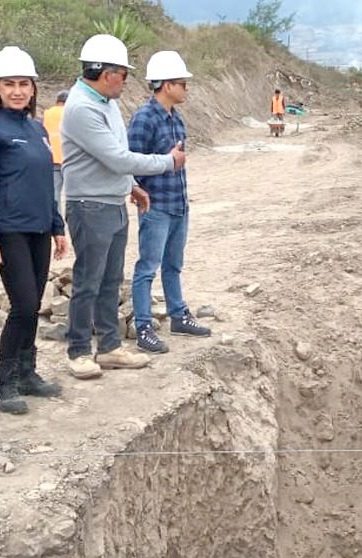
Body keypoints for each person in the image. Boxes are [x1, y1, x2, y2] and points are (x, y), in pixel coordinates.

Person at [61, 34, 185, 379]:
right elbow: (117, 157)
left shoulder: (106, 103)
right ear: (105, 72)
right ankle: (79, 351)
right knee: (88, 280)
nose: (126, 81)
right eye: (123, 74)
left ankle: (110, 347)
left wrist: (130, 186)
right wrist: (167, 162)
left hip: (112, 202)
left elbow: (113, 155)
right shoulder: (82, 108)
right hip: (89, 206)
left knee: (111, 279)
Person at [0, 46, 67, 414]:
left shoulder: (37, 128)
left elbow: (47, 183)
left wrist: (57, 227)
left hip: (40, 230)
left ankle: (28, 373)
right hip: (8, 230)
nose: (17, 91)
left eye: (24, 84)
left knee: (35, 304)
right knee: (23, 305)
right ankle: (4, 382)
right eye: (8, 84)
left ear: (33, 87)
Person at [128, 51, 211, 353]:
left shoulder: (176, 120)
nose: (186, 88)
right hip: (156, 207)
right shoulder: (143, 119)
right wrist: (140, 189)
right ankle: (143, 326)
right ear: (165, 85)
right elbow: (132, 162)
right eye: (182, 83)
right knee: (148, 266)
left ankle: (178, 315)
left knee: (173, 265)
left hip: (178, 204)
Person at [42, 89, 68, 204]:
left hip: (53, 158)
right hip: (70, 159)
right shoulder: (70, 113)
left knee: (55, 194)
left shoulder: (47, 113)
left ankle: (57, 219)